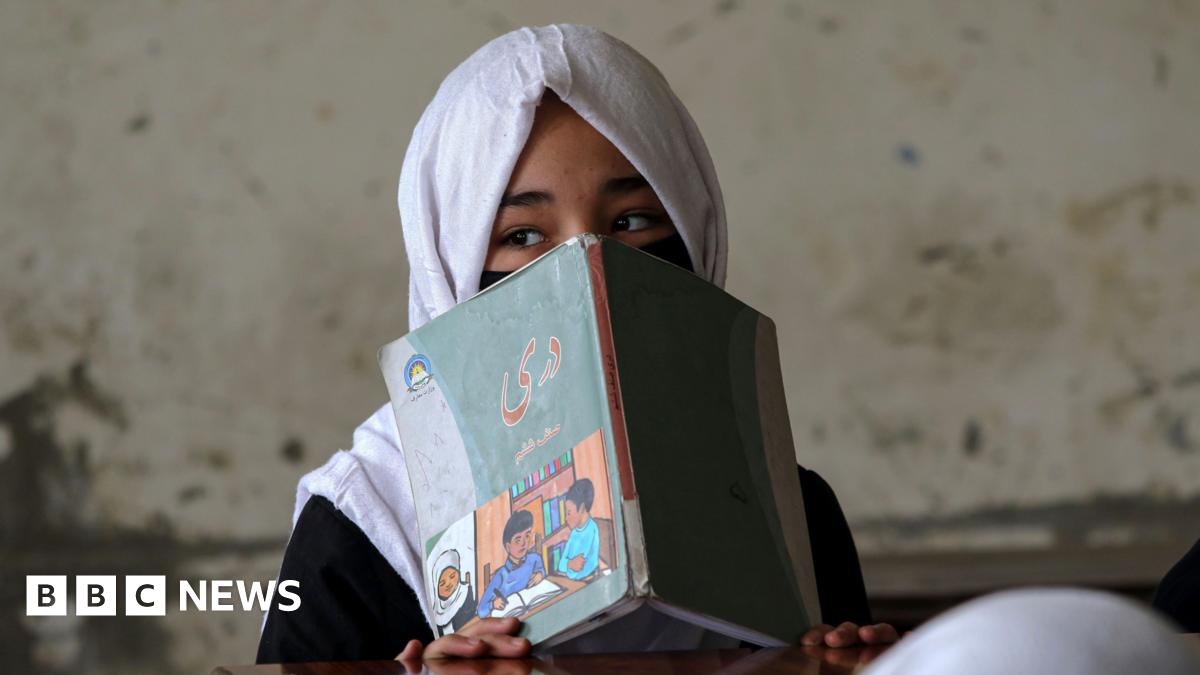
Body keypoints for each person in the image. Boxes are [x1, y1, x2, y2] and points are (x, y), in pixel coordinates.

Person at [256, 24, 896, 664]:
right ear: (447, 262)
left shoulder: (787, 517)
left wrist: (835, 664)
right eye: (524, 235)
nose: (588, 267)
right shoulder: (368, 525)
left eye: (633, 221)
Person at [478, 510, 547, 619]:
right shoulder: (501, 576)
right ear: (508, 547)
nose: (524, 543)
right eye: (518, 540)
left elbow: (542, 570)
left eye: (527, 536)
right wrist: (493, 604)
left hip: (537, 609)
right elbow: (481, 611)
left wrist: (540, 574)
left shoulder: (534, 559)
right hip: (513, 619)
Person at [556, 480, 600, 581]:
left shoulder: (591, 530)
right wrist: (570, 564)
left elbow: (579, 566)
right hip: (573, 582)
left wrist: (568, 564)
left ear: (582, 508)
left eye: (569, 513)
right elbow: (561, 564)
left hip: (588, 581)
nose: (566, 519)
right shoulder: (574, 533)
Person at [431, 549, 477, 636]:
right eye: (442, 583)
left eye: (452, 576)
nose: (448, 584)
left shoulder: (465, 592)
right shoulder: (436, 612)